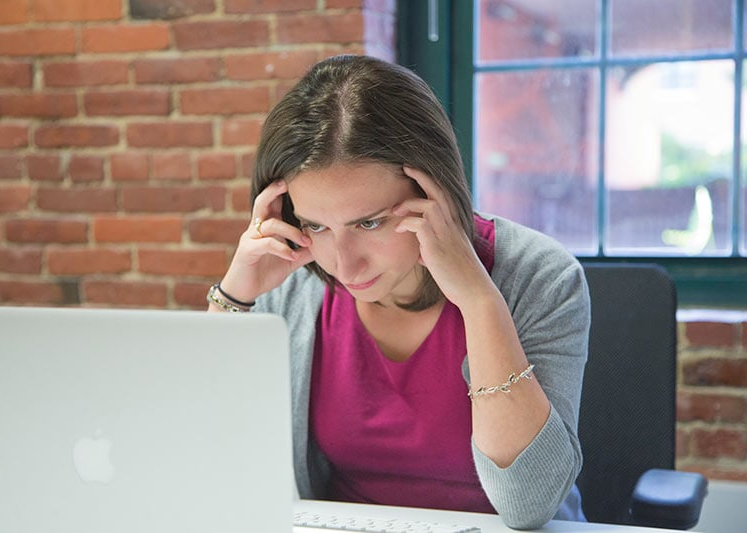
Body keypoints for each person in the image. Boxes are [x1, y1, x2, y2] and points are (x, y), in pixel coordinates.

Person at [206, 54, 590, 530]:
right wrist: (235, 298)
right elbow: (205, 459)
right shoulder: (297, 280)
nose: (344, 265)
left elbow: (529, 505)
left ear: (435, 192)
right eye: (316, 225)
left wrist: (478, 300)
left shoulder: (540, 276)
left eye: (369, 222)